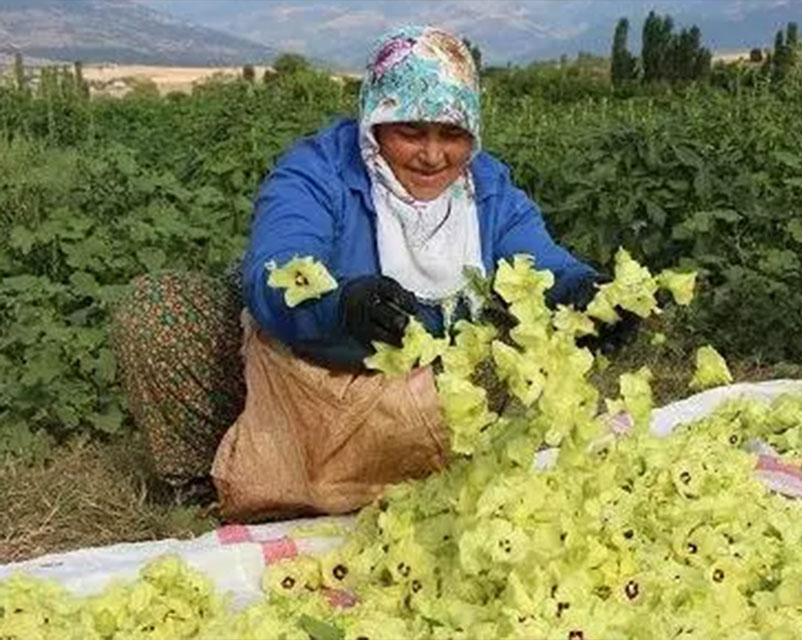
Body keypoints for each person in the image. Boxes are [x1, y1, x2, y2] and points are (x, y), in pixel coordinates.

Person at [112, 25, 633, 498]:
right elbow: (278, 268)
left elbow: (539, 265)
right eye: (411, 132)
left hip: (428, 393)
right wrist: (341, 305)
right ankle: (206, 482)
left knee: (508, 342)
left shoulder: (487, 190)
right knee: (160, 309)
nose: (433, 156)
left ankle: (424, 475)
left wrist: (587, 294)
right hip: (311, 360)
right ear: (375, 123)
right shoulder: (318, 173)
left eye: (451, 135)